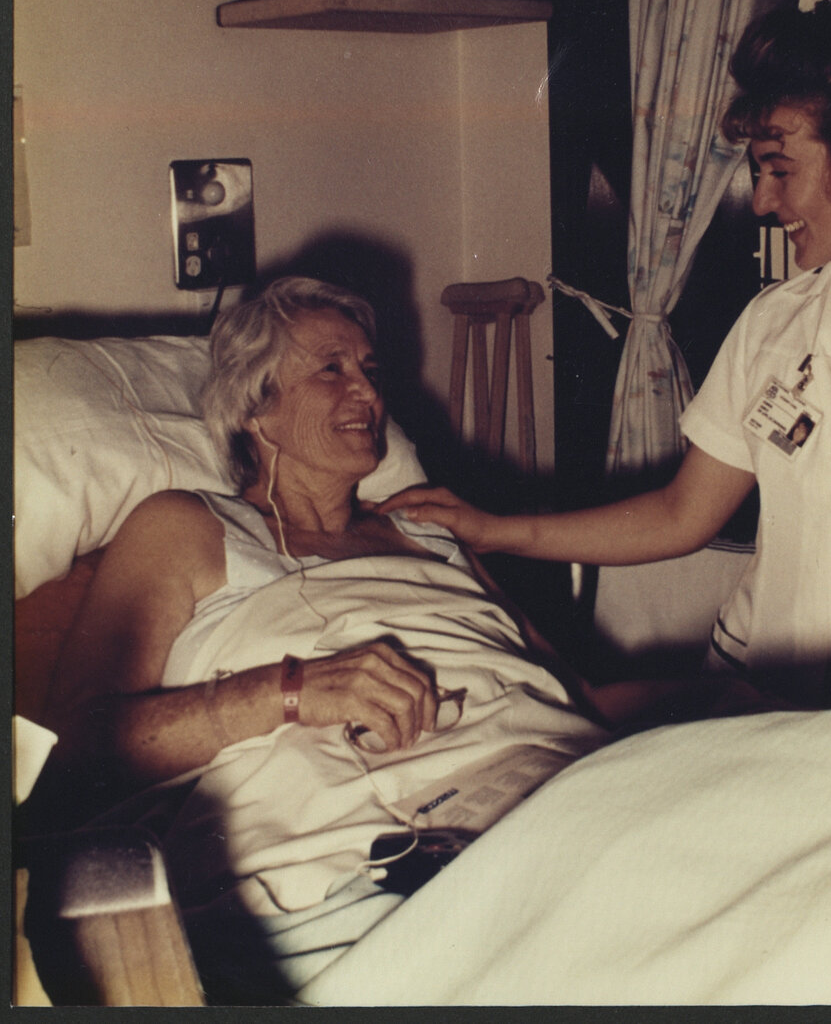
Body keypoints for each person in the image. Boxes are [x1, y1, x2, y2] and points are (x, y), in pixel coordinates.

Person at [384, 0, 831, 712]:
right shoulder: (776, 324)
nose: (762, 200)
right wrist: (498, 530)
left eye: (779, 170)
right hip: (757, 704)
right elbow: (681, 514)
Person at [29, 277, 609, 1003]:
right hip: (379, 854)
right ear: (253, 408)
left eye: (371, 370)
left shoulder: (431, 534)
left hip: (575, 790)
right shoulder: (187, 527)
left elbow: (571, 695)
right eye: (331, 368)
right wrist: (293, 691)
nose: (366, 392)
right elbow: (72, 754)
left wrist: (723, 701)